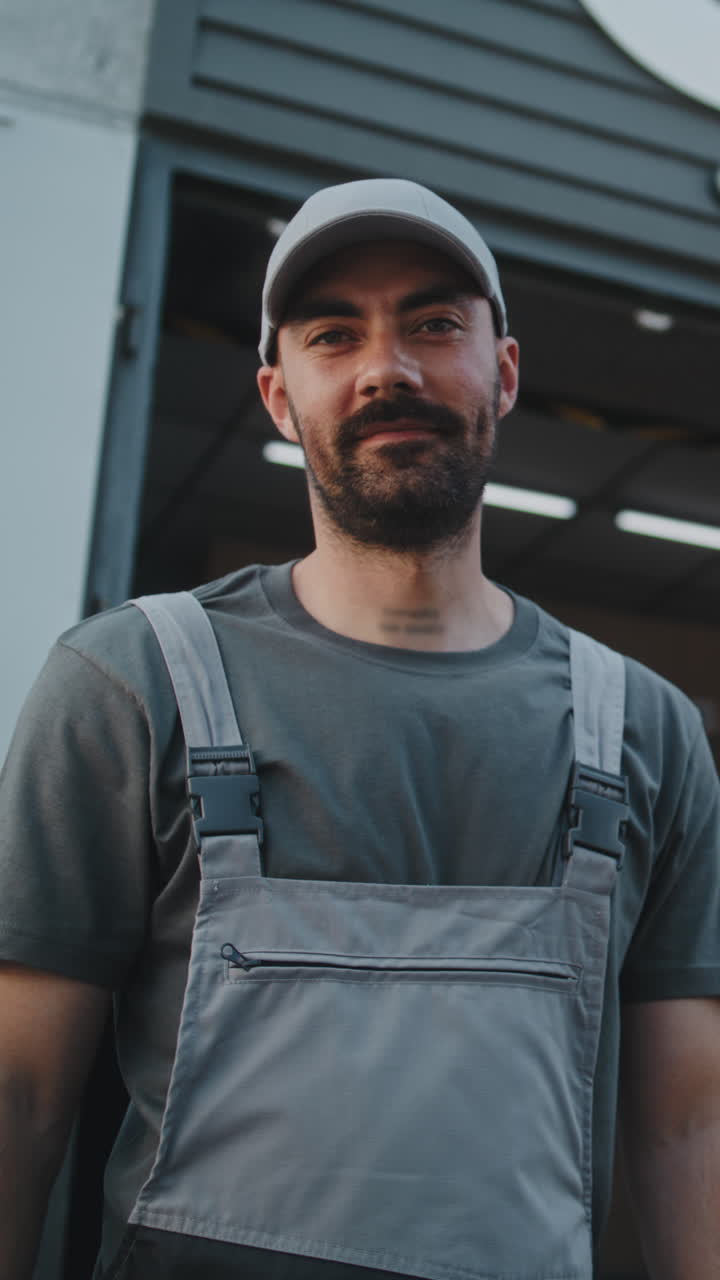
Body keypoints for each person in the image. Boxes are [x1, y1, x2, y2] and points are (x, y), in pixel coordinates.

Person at [0, 178, 719, 1280]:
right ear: (279, 395)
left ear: (505, 372)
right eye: (335, 334)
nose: (389, 367)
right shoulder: (131, 682)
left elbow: (685, 1126)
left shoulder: (649, 734)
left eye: (435, 323)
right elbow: (20, 1092)